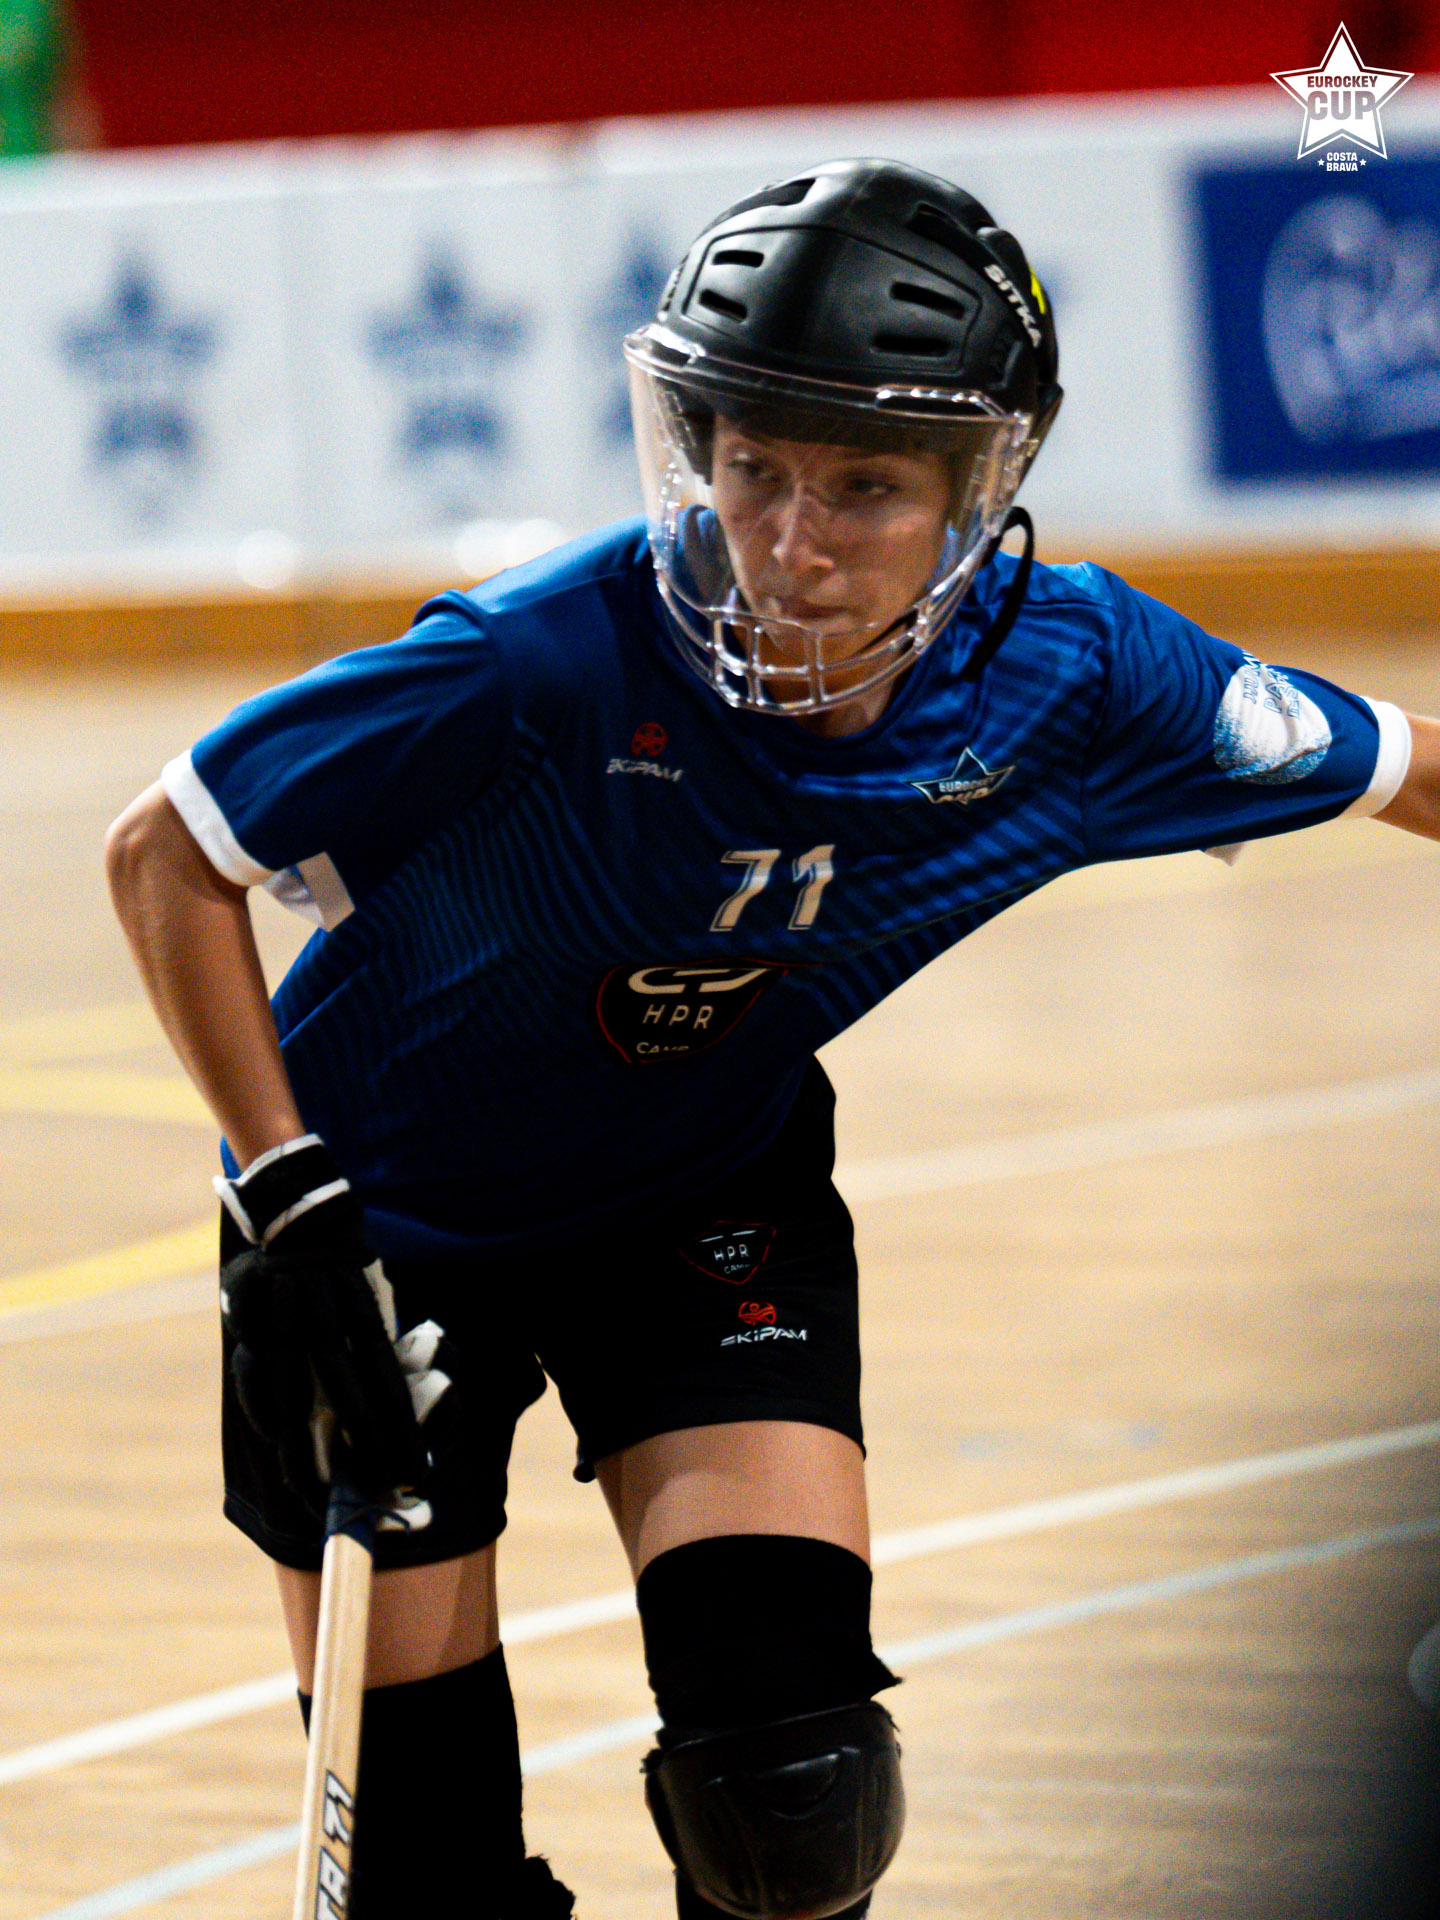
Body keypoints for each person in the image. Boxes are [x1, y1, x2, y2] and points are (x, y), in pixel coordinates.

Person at [105, 157, 1439, 1920]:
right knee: (421, 1879)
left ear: (977, 487)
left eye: (866, 487)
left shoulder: (1085, 680)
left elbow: (1413, 766)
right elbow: (168, 855)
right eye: (752, 469)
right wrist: (282, 1200)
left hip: (700, 1195)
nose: (794, 544)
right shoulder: (537, 659)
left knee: (791, 1790)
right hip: (378, 1228)